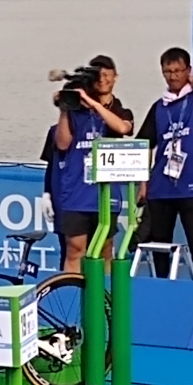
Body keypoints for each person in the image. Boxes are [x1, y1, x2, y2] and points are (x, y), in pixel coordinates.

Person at [135, 47, 193, 282]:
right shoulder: (159, 107)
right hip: (161, 188)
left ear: (188, 70)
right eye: (168, 71)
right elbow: (144, 145)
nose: (173, 76)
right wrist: (143, 183)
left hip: (191, 187)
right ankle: (162, 290)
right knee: (160, 246)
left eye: (178, 71)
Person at [54, 55, 134, 273]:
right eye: (98, 76)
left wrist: (94, 104)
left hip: (106, 195)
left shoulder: (118, 110)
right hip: (77, 194)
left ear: (115, 77)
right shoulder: (76, 113)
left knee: (105, 249)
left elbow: (123, 128)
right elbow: (62, 144)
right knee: (75, 249)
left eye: (107, 75)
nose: (102, 80)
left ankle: (104, 293)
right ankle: (72, 291)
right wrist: (65, 108)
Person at [40, 124, 67, 271]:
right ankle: (68, 284)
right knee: (67, 249)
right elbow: (51, 165)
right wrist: (47, 194)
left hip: (95, 198)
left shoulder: (101, 128)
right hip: (64, 199)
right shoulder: (56, 131)